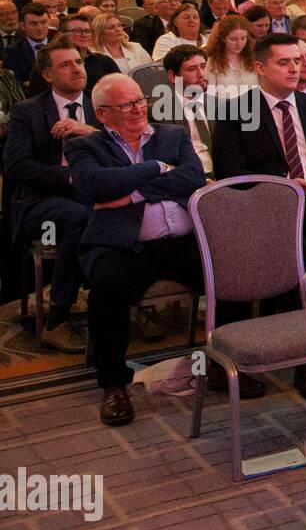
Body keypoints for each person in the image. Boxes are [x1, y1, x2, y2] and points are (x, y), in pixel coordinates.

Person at [65, 73, 204, 424]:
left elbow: (193, 177)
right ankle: (113, 384)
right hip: (122, 246)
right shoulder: (86, 146)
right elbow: (94, 185)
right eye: (125, 105)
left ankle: (221, 364)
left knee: (231, 272)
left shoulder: (171, 134)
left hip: (182, 242)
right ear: (102, 114)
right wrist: (157, 168)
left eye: (139, 101)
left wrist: (133, 194)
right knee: (107, 289)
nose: (137, 109)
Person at [211, 33, 306, 252]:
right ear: (260, 68)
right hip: (269, 208)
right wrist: (285, 187)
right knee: (298, 250)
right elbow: (230, 174)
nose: (294, 68)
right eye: (283, 62)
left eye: (297, 61)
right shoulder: (235, 112)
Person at [3, 39, 100, 352]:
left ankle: (136, 304)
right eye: (66, 65)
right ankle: (57, 320)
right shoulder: (27, 112)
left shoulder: (102, 104)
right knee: (81, 218)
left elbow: (129, 146)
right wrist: (70, 177)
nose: (76, 69)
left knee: (136, 208)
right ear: (47, 75)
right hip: (41, 201)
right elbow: (15, 167)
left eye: (79, 62)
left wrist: (90, 132)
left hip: (97, 191)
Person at [152, 44, 217, 178]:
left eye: (203, 66)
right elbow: (167, 163)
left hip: (226, 179)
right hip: (187, 181)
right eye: (192, 69)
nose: (201, 74)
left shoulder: (223, 106)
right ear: (173, 76)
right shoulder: (158, 115)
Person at [203, 14, 258, 97]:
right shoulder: (212, 63)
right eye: (233, 39)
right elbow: (210, 96)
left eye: (243, 38)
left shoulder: (254, 60)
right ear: (223, 38)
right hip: (224, 108)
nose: (239, 43)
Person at [2, 4, 49, 86]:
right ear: (23, 26)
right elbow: (14, 85)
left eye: (44, 22)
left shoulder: (61, 46)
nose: (40, 28)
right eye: (33, 24)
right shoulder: (12, 52)